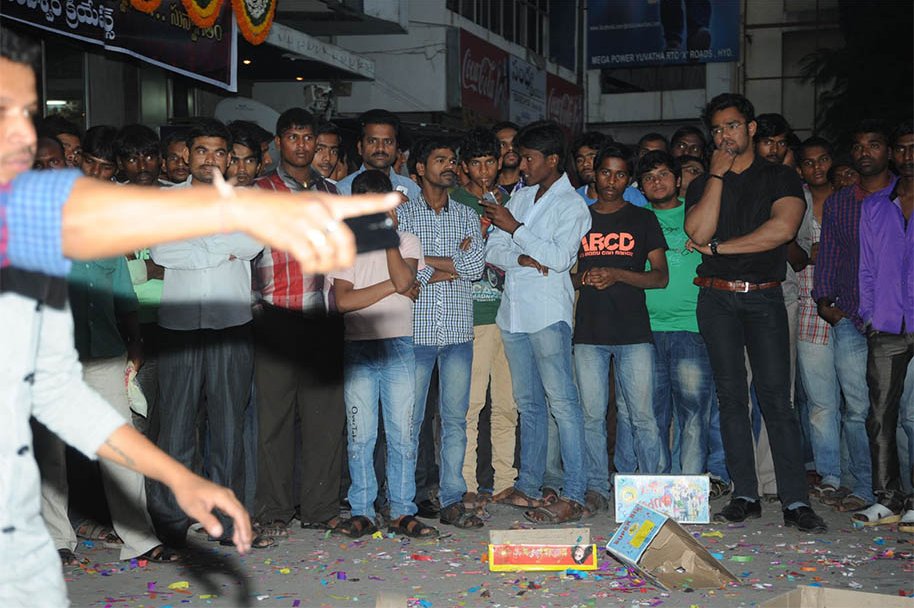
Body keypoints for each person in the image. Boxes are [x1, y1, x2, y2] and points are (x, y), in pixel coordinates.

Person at [0, 30, 253, 608]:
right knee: (49, 455)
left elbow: (119, 287)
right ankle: (57, 538)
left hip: (106, 348)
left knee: (119, 445)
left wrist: (135, 342)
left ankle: (138, 540)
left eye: (60, 160)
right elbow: (166, 254)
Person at [684, 93, 827, 533]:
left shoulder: (780, 176)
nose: (724, 136)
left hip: (765, 297)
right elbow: (697, 229)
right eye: (717, 130)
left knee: (777, 400)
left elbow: (781, 231)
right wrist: (717, 177)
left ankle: (795, 500)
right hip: (716, 298)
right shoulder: (706, 180)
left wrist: (717, 249)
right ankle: (744, 493)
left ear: (750, 129)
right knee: (731, 399)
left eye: (732, 126)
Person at [147, 119, 267, 548]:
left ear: (228, 158)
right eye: (202, 151)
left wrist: (194, 246)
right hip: (178, 327)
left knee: (228, 427)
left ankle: (227, 521)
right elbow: (162, 250)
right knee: (175, 428)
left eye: (220, 152)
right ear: (188, 154)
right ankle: (170, 524)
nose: (210, 159)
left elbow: (251, 243)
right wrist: (218, 245)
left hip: (231, 326)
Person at [484, 120, 591, 524]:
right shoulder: (520, 196)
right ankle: (529, 486)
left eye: (529, 158)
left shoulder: (572, 205)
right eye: (520, 157)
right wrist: (523, 254)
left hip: (548, 312)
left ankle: (575, 492)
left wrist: (518, 232)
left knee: (563, 402)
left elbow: (561, 258)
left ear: (552, 160)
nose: (521, 164)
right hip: (513, 311)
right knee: (528, 404)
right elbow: (495, 249)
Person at [328, 170, 439, 539]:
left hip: (399, 344)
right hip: (357, 345)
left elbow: (408, 283)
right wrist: (395, 285)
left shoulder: (406, 240)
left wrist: (387, 238)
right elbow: (343, 301)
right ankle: (362, 509)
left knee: (403, 435)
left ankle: (402, 510)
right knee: (361, 436)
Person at [251, 108, 345, 538]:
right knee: (275, 421)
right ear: (278, 142)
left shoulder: (331, 192)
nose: (303, 146)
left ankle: (320, 507)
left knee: (325, 418)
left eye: (309, 138)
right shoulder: (259, 191)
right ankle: (274, 510)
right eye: (294, 137)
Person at [572, 144, 669, 516]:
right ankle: (597, 487)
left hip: (634, 332)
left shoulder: (642, 219)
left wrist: (617, 274)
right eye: (605, 172)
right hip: (590, 333)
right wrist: (585, 277)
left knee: (642, 415)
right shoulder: (578, 217)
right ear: (593, 174)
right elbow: (565, 272)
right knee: (592, 416)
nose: (612, 181)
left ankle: (654, 489)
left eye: (620, 174)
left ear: (629, 180)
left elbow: (660, 277)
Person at [397, 139, 486, 529]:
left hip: (456, 332)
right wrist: (451, 265)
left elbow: (475, 267)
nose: (450, 164)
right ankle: (402, 502)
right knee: (409, 421)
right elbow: (400, 268)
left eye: (452, 158)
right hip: (413, 332)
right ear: (419, 169)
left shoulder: (468, 215)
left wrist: (425, 263)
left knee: (454, 420)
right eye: (440, 159)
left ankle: (452, 498)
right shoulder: (403, 216)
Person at [813, 119, 895, 517]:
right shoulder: (842, 202)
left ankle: (901, 492)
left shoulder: (904, 197)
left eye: (874, 144)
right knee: (856, 408)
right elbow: (829, 253)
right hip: (849, 316)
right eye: (858, 146)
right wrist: (825, 301)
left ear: (890, 152)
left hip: (897, 320)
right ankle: (865, 487)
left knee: (901, 412)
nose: (865, 152)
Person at [795, 136, 873, 513]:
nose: (816, 168)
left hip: (848, 308)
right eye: (808, 163)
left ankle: (859, 477)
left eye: (822, 159)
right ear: (800, 169)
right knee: (821, 402)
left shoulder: (854, 200)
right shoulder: (796, 202)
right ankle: (830, 476)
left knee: (855, 400)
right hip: (809, 309)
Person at [638, 150, 721, 487]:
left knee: (693, 415)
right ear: (641, 187)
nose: (657, 182)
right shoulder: (635, 218)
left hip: (692, 328)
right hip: (644, 331)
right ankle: (658, 490)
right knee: (651, 416)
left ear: (678, 178)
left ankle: (687, 489)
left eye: (662, 174)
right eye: (648, 177)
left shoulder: (700, 214)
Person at [450, 128, 517, 511]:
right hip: (470, 314)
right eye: (475, 163)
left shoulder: (513, 201)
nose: (484, 170)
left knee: (507, 404)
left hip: (509, 314)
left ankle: (506, 481)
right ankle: (468, 483)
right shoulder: (454, 202)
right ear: (464, 167)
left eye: (490, 161)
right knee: (470, 405)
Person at [854, 120, 913, 529]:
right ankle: (888, 498)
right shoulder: (875, 206)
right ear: (893, 155)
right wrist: (871, 316)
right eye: (903, 149)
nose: (909, 156)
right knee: (879, 416)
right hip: (888, 326)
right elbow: (868, 269)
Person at [336, 109, 420, 202]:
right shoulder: (342, 191)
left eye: (388, 142)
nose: (380, 148)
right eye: (372, 141)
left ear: (397, 149)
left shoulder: (412, 189)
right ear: (360, 147)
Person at [572, 131, 649, 208]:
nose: (585, 164)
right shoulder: (574, 199)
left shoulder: (632, 196)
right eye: (580, 160)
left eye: (592, 157)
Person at [492, 121, 525, 194]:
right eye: (502, 144)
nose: (510, 148)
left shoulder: (534, 186)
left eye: (514, 143)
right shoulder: (486, 187)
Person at [226, 122, 262, 187]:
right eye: (233, 161)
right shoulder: (207, 195)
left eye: (249, 161)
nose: (242, 169)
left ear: (258, 166)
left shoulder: (273, 195)